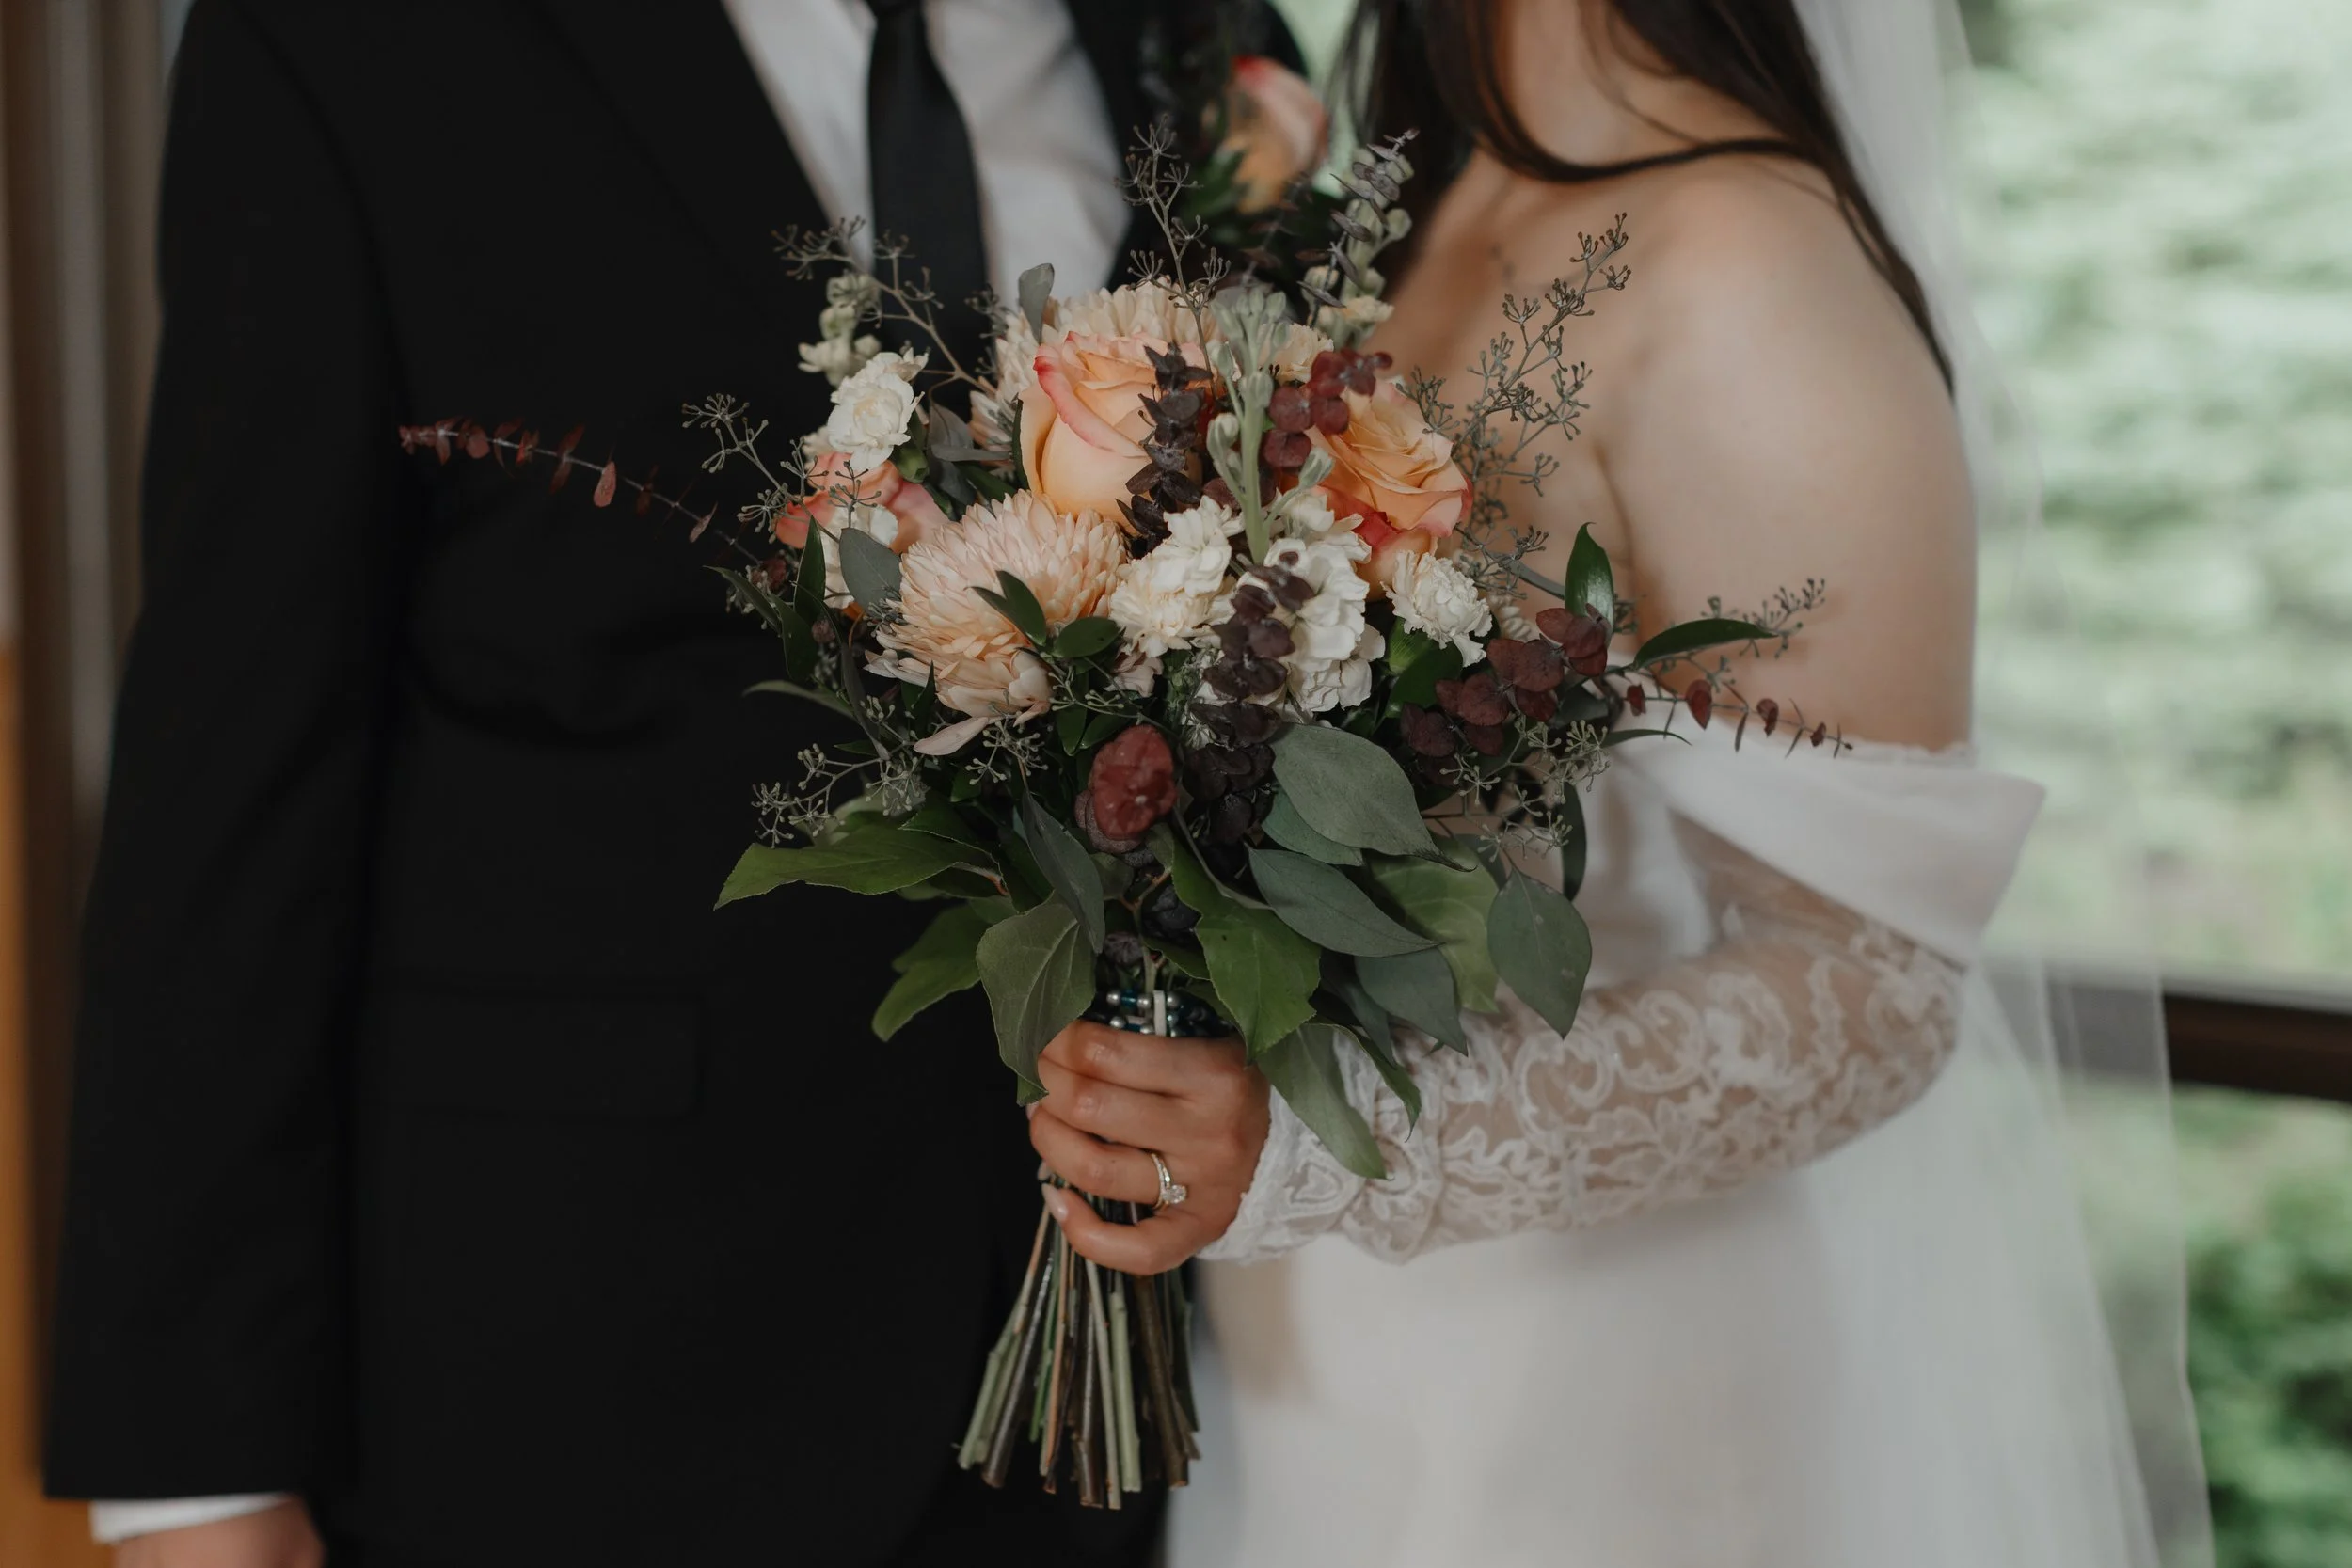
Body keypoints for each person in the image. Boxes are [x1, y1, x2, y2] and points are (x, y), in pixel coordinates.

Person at [40, 2, 1284, 1563]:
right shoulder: (340, 39)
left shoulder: (1161, 36)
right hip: (556, 1372)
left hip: (1070, 1376)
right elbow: (232, 767)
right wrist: (196, 1479)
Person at [1025, 1, 2206, 1563]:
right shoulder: (1385, 214)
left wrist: (1331, 1143)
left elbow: (1877, 984)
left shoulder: (1743, 254)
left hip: (1583, 1401)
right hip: (1300, 1371)